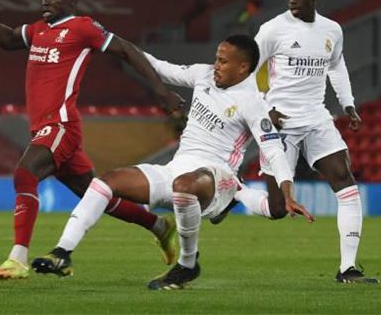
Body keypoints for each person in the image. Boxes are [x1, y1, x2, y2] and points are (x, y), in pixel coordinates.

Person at [31, 35, 314, 290]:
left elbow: (273, 150)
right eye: (217, 58)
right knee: (107, 182)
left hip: (219, 178)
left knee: (184, 185)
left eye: (223, 61)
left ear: (243, 68)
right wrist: (115, 43)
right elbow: (159, 67)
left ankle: (187, 264)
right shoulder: (203, 75)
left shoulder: (253, 103)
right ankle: (62, 252)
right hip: (178, 168)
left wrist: (287, 192)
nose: (215, 65)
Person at [0, 0, 185, 280]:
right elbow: (9, 39)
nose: (45, 1)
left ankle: (18, 257)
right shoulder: (38, 30)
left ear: (73, 0)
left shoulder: (83, 28)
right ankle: (159, 226)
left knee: (25, 174)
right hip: (46, 128)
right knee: (98, 197)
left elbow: (127, 50)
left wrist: (161, 91)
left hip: (60, 124)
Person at [235, 0, 378, 283]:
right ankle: (236, 191)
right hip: (281, 122)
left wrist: (348, 103)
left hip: (316, 117)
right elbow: (245, 69)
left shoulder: (332, 30)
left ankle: (348, 268)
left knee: (345, 179)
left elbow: (336, 65)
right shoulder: (273, 29)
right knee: (277, 208)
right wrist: (263, 108)